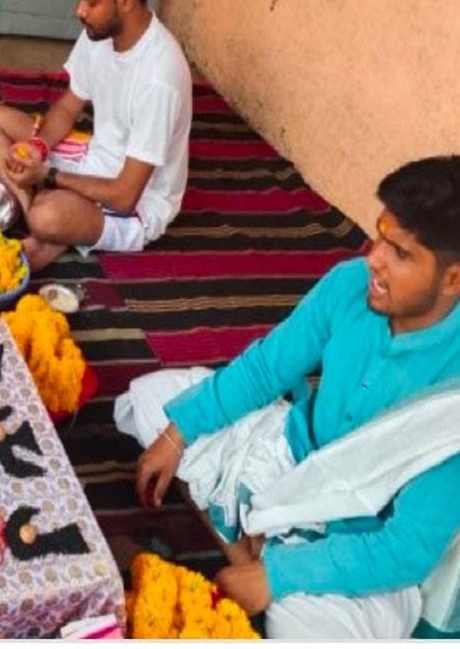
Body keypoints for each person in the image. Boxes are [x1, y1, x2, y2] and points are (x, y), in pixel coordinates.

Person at [115, 155, 460, 638]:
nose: (375, 259)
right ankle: (247, 551)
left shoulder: (453, 398)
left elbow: (406, 548)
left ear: (453, 279)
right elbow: (265, 369)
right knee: (152, 401)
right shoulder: (350, 284)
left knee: (319, 635)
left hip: (362, 532)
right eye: (381, 234)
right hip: (294, 457)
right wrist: (176, 435)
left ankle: (258, 556)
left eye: (400, 253)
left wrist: (276, 576)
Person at [0, 0, 192, 271]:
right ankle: (46, 222)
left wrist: (47, 175)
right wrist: (38, 148)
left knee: (47, 217)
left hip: (136, 199)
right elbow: (66, 108)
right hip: (92, 156)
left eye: (91, 1)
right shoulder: (100, 31)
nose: (80, 10)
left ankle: (48, 222)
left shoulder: (160, 77)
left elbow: (125, 194)